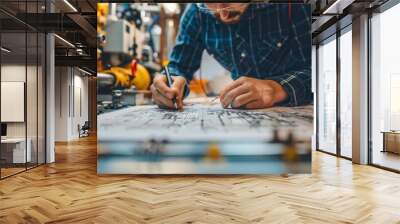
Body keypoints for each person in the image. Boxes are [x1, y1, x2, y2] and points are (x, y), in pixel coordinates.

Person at [151, 3, 311, 110]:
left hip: (299, 113)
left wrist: (276, 88)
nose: (223, 16)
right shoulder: (197, 13)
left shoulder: (292, 6)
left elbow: (323, 70)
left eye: (229, 4)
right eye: (212, 8)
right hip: (243, 116)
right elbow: (179, 67)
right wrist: (169, 84)